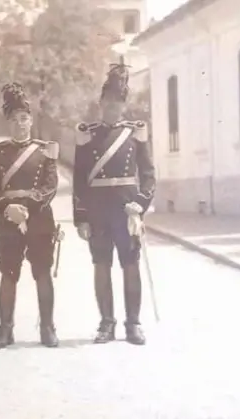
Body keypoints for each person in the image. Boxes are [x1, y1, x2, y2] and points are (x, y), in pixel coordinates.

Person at [72, 58, 156, 345]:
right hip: (98, 212)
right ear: (101, 103)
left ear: (124, 104)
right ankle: (106, 323)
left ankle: (133, 323)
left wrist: (141, 205)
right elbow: (80, 179)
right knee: (101, 265)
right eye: (108, 101)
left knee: (130, 265)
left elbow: (148, 175)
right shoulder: (87, 135)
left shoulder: (135, 134)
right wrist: (81, 217)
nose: (112, 107)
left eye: (117, 102)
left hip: (126, 210)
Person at [0, 82, 60, 348]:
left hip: (39, 220)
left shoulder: (44, 151)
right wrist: (8, 209)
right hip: (8, 222)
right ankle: (5, 329)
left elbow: (50, 186)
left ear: (31, 121)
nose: (20, 124)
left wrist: (26, 207)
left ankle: (48, 328)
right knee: (8, 273)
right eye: (15, 119)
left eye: (24, 119)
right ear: (9, 123)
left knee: (42, 273)